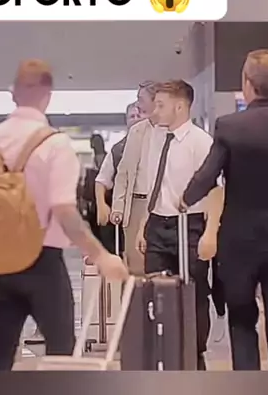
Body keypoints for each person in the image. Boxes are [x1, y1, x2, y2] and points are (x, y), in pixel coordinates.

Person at [0, 59, 126, 371]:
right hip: (42, 262)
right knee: (62, 354)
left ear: (12, 94)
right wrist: (101, 256)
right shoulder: (55, 145)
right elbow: (64, 210)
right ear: (48, 95)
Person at [181, 50, 268, 370]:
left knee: (241, 322)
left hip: (240, 244)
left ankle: (247, 389)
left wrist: (186, 198)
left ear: (247, 82)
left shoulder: (230, 126)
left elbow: (208, 175)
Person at [136, 80, 224, 370]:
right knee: (154, 290)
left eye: (161, 105)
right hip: (157, 225)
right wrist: (144, 224)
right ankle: (160, 352)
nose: (155, 111)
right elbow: (154, 185)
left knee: (193, 293)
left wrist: (211, 232)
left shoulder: (201, 142)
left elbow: (216, 190)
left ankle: (194, 356)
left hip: (191, 226)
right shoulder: (156, 138)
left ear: (180, 106)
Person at [110, 81, 159, 275]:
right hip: (136, 204)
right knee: (135, 263)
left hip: (161, 205)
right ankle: (138, 293)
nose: (138, 105)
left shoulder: (169, 130)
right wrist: (118, 206)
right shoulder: (136, 132)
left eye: (141, 99)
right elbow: (123, 173)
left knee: (157, 262)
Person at [94, 102, 142, 253]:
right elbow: (101, 180)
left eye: (139, 115)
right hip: (124, 211)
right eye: (132, 116)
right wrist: (101, 205)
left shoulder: (159, 144)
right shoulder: (118, 150)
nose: (136, 119)